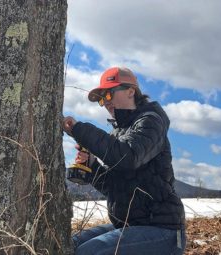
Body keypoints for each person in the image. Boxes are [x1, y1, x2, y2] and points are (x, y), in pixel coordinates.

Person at [63, 67, 186, 255]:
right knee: (71, 244)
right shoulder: (119, 133)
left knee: (89, 252)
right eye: (102, 99)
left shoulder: (151, 122)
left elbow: (128, 157)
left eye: (109, 95)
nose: (105, 103)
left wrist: (81, 130)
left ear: (130, 91)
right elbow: (115, 186)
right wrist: (93, 167)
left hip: (163, 231)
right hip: (130, 226)